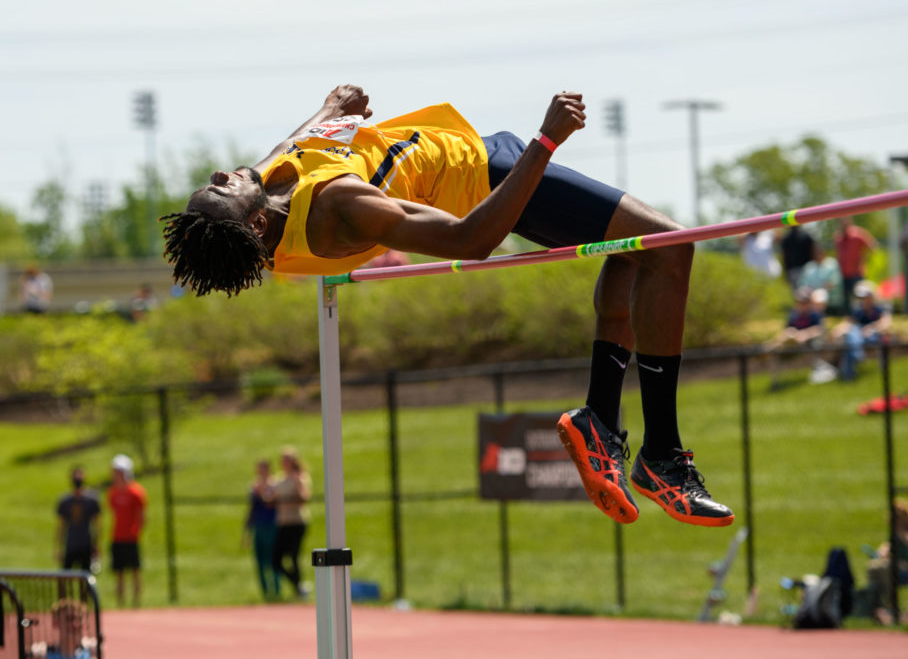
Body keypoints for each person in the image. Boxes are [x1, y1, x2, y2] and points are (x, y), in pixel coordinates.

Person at [162, 85, 733, 528]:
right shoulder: (339, 207)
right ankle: (660, 456)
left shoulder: (260, 214)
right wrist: (548, 140)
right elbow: (470, 241)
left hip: (486, 154)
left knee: (633, 252)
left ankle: (601, 423)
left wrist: (328, 109)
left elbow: (285, 155)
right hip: (491, 179)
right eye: (220, 189)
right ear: (256, 222)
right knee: (668, 247)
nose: (220, 174)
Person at [864, 498, 908, 625]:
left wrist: (902, 533)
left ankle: (892, 607)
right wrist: (883, 551)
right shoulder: (895, 529)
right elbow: (889, 545)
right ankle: (877, 606)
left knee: (886, 567)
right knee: (873, 566)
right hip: (896, 565)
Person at [107, 454, 147, 607]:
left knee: (135, 570)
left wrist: (137, 532)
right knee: (119, 572)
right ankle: (120, 604)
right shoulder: (113, 492)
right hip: (117, 536)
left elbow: (141, 516)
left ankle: (136, 603)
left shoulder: (136, 492)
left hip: (131, 537)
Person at [830, 281, 891, 381]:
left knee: (853, 336)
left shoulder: (879, 308)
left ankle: (856, 355)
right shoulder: (858, 310)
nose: (863, 300)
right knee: (852, 335)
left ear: (871, 297)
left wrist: (871, 328)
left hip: (874, 336)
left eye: (865, 297)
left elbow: (885, 323)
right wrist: (837, 330)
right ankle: (849, 375)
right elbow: (848, 323)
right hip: (859, 338)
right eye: (861, 298)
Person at [272, 447, 311, 598]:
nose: (285, 463)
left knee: (294, 556)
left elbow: (304, 498)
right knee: (276, 559)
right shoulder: (279, 479)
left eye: (288, 460)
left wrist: (297, 487)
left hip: (297, 522)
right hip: (283, 522)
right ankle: (298, 585)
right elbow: (271, 498)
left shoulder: (300, 477)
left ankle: (299, 589)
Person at [245, 459, 280, 600]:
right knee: (259, 561)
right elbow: (251, 509)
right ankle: (265, 593)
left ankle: (276, 591)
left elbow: (271, 502)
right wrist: (247, 530)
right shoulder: (253, 486)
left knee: (272, 559)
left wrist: (262, 491)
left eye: (263, 469)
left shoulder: (275, 484)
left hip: (272, 524)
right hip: (258, 525)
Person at [55, 467, 101, 572]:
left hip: (86, 544)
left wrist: (96, 546)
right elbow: (61, 526)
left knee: (86, 577)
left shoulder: (91, 500)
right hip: (70, 544)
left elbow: (96, 525)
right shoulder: (65, 501)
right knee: (65, 577)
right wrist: (58, 548)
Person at [834, 216, 877, 314]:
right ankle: (849, 319)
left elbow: (873, 246)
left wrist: (863, 259)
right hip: (844, 273)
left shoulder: (858, 234)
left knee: (860, 298)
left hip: (857, 273)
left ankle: (862, 318)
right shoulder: (838, 237)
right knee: (846, 300)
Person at [797, 242, 843, 315]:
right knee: (801, 293)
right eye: (816, 253)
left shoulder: (832, 264)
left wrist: (821, 290)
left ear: (824, 253)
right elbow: (804, 283)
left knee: (820, 294)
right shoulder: (809, 266)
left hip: (827, 293)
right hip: (811, 293)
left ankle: (819, 315)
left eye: (820, 252)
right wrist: (811, 292)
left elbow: (835, 281)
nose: (818, 255)